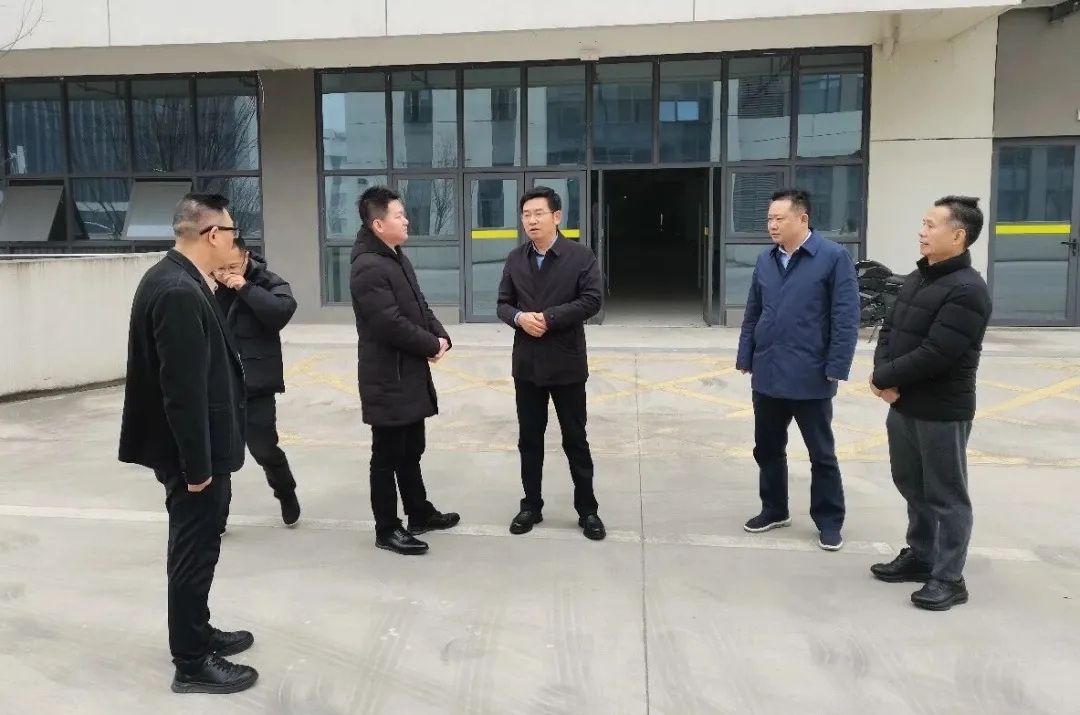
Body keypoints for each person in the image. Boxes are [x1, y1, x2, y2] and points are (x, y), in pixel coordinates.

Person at [118, 193, 258, 694]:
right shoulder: (177, 289)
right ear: (212, 234)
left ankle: (198, 631)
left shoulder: (177, 278)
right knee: (193, 553)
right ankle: (192, 662)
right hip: (194, 457)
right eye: (233, 232)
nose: (236, 241)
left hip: (198, 450)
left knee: (200, 548)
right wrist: (197, 467)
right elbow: (181, 392)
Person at [868, 195, 992, 611]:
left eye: (930, 225)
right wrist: (882, 375)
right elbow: (889, 331)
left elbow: (938, 353)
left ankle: (949, 577)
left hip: (941, 410)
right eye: (922, 224)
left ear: (958, 236)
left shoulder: (968, 290)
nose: (922, 232)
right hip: (903, 404)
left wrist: (884, 378)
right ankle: (922, 555)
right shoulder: (918, 278)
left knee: (946, 494)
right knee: (911, 483)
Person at [736, 188, 860, 551]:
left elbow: (845, 317)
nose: (772, 225)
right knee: (767, 448)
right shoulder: (766, 260)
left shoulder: (833, 257)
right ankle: (774, 509)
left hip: (811, 374)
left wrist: (837, 365)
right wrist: (746, 355)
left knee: (821, 454)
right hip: (768, 371)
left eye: (779, 218)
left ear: (802, 219)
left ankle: (829, 520)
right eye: (769, 219)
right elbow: (753, 311)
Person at [349, 185, 460, 556]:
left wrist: (440, 336)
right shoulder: (368, 266)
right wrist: (429, 345)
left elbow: (419, 305)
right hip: (387, 377)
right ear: (379, 224)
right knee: (387, 456)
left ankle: (419, 512)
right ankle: (387, 528)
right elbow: (389, 323)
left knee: (411, 449)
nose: (407, 220)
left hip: (407, 371)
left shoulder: (395, 257)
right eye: (399, 215)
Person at [496, 185, 605, 541]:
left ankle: (587, 510)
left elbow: (592, 300)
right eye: (526, 215)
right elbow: (503, 303)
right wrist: (519, 318)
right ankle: (531, 506)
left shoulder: (580, 256)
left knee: (576, 439)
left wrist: (549, 317)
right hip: (527, 365)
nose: (532, 220)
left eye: (538, 213)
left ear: (557, 216)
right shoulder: (516, 259)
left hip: (566, 363)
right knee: (530, 439)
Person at [212, 237, 301, 532]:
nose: (227, 273)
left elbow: (280, 313)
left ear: (246, 257)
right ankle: (217, 516)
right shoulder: (209, 284)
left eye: (233, 266)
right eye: (221, 268)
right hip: (220, 383)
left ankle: (285, 491)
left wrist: (245, 288)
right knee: (219, 453)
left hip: (256, 383)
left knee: (264, 449)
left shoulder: (268, 281)